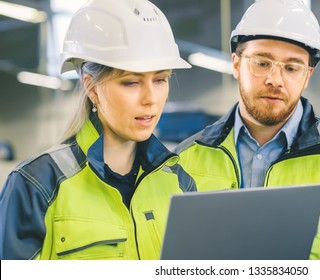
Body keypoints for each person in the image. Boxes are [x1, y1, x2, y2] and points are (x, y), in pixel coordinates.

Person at [175, 0, 320, 259]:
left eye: (291, 68)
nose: (275, 80)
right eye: (261, 62)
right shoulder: (185, 157)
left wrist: (302, 223)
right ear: (236, 64)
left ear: (307, 75)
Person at [0, 0, 195, 260]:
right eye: (131, 82)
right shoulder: (36, 185)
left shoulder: (180, 183)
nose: (151, 98)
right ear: (92, 88)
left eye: (160, 80)